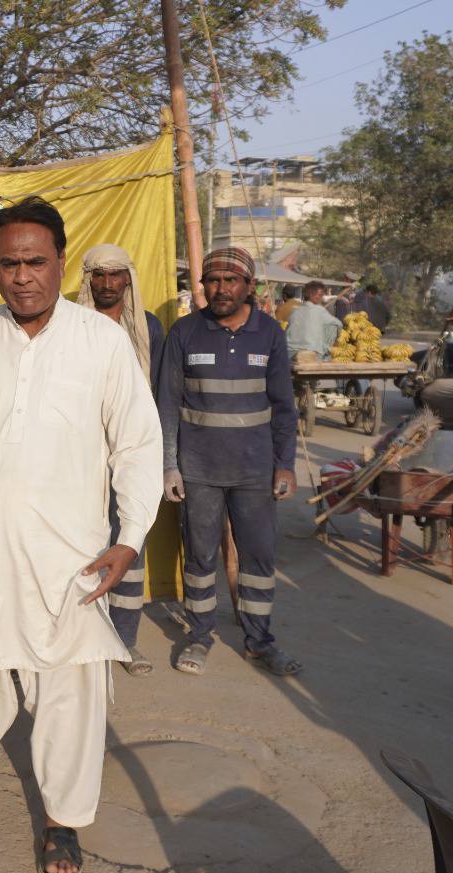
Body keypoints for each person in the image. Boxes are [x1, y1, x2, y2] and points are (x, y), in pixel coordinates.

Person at [0, 198, 163, 873]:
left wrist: (131, 537)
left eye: (36, 262)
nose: (22, 277)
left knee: (69, 699)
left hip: (68, 558)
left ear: (61, 262)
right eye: (10, 264)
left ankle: (62, 821)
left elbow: (137, 445)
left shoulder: (100, 341)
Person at [158, 245, 303, 679]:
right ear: (202, 286)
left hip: (255, 471)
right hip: (198, 471)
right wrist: (169, 465)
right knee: (199, 557)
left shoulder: (270, 333)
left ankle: (260, 641)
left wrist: (285, 463)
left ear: (249, 286)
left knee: (258, 558)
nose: (221, 289)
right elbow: (167, 403)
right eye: (213, 281)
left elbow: (284, 406)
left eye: (230, 281)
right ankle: (199, 636)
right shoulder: (185, 332)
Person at [76, 242, 166, 675]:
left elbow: (158, 393)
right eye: (99, 274)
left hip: (131, 451)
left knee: (131, 542)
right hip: (80, 453)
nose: (108, 283)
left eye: (116, 274)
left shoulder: (148, 328)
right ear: (88, 280)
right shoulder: (70, 326)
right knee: (80, 542)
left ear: (128, 279)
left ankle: (125, 641)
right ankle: (82, 640)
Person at [285, 280, 342, 362]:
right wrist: (336, 341)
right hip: (313, 351)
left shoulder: (295, 311)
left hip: (289, 352)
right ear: (311, 295)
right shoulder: (320, 310)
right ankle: (322, 352)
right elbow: (338, 324)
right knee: (333, 325)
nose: (321, 298)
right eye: (320, 295)